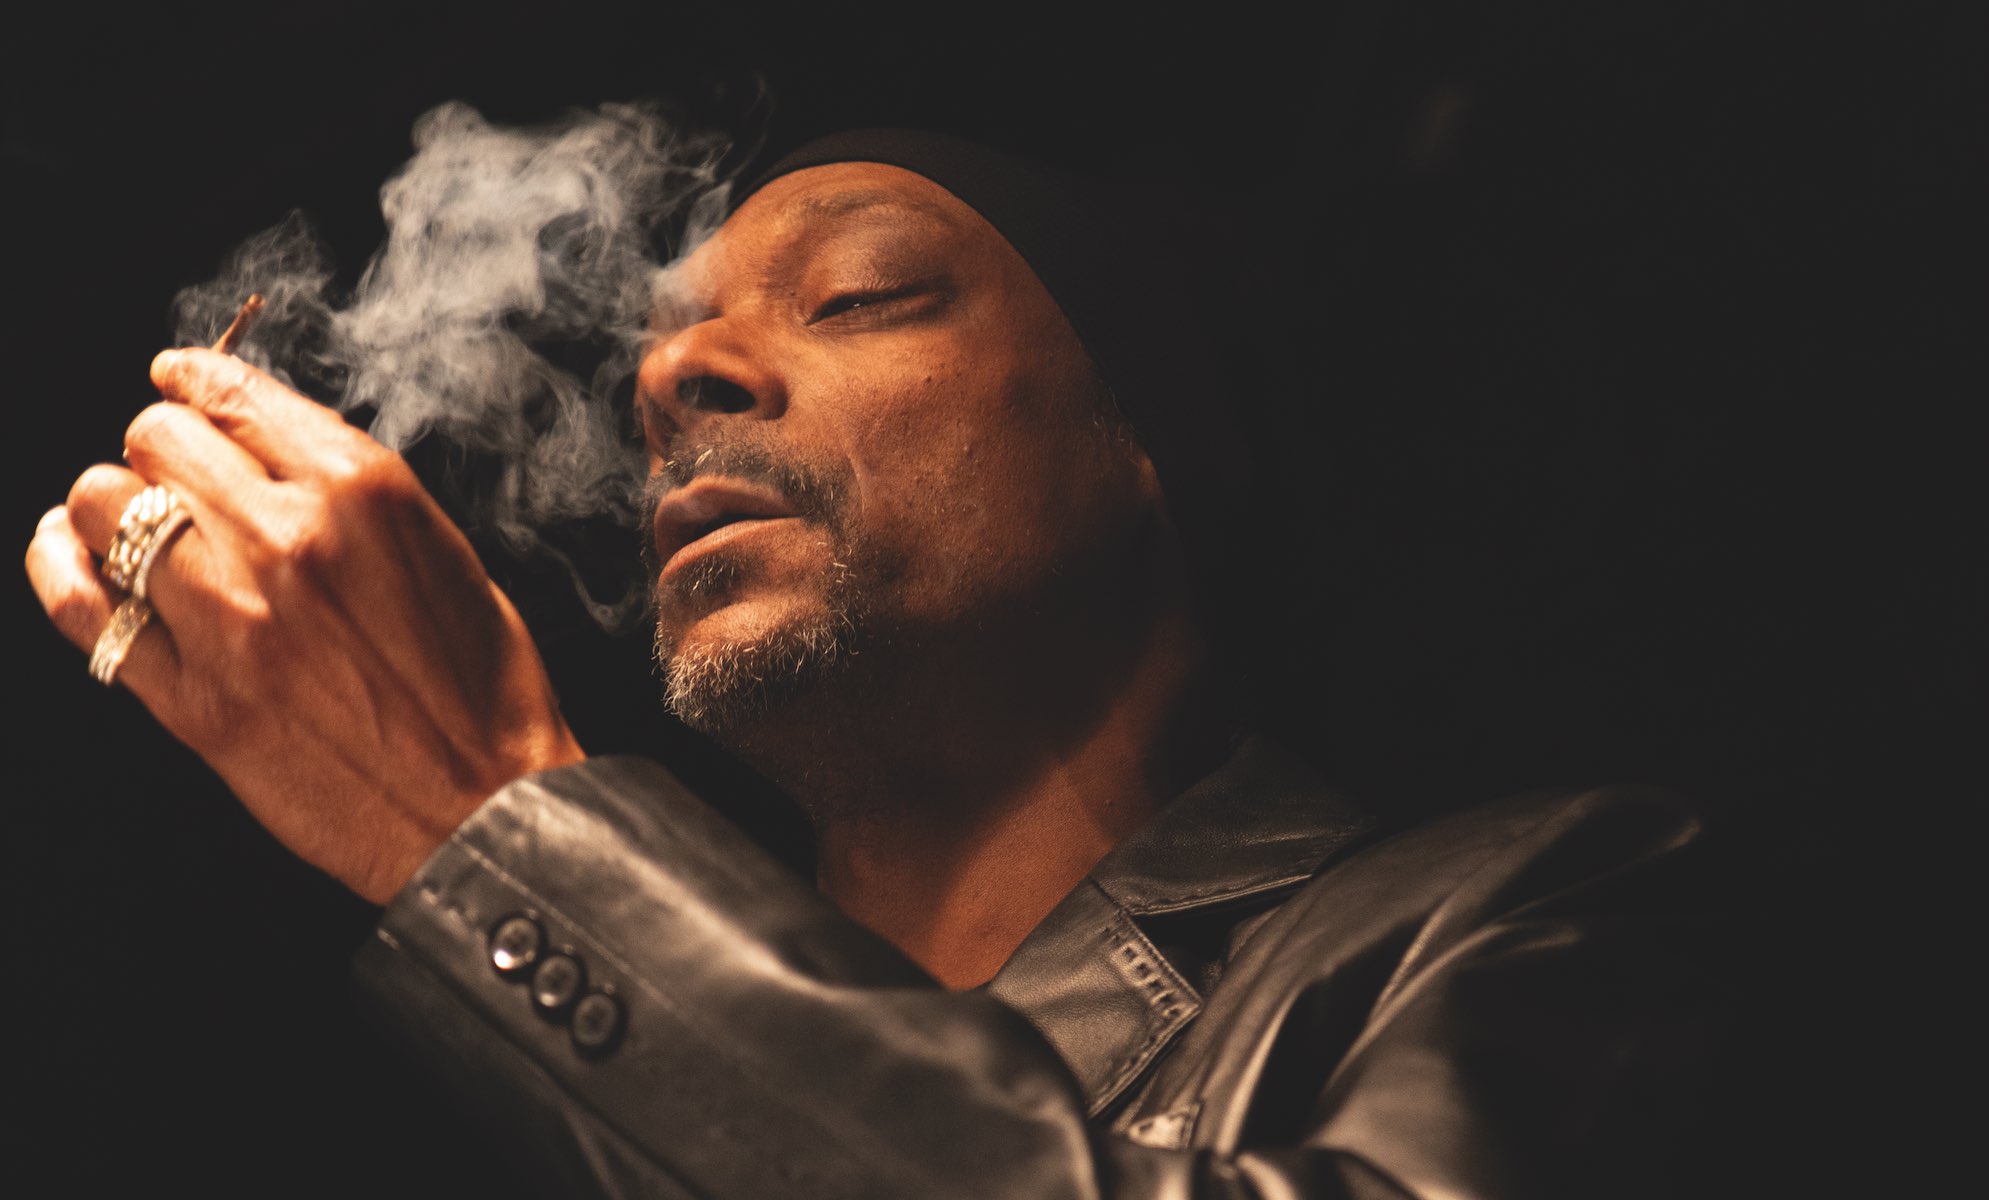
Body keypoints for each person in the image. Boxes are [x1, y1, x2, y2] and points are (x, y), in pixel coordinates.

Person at [26, 132, 1738, 1198]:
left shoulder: (1549, 908)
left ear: (1149, 439)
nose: (671, 375)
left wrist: (493, 825)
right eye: (662, 349)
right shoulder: (527, 1096)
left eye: (852, 295)